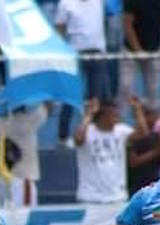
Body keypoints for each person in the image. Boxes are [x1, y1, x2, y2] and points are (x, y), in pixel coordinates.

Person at [55, 0, 110, 145]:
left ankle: (93, 133)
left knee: (95, 97)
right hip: (75, 54)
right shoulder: (65, 3)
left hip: (98, 52)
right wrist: (61, 54)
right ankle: (63, 136)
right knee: (70, 96)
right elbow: (60, 28)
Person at [74, 98, 134, 204]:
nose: (117, 117)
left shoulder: (121, 130)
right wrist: (88, 115)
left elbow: (143, 134)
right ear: (102, 117)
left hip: (117, 197)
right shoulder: (88, 130)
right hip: (90, 197)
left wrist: (137, 110)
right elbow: (78, 139)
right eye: (113, 114)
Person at [120, 0, 160, 111]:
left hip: (155, 48)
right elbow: (127, 25)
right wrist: (138, 50)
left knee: (153, 89)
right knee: (125, 87)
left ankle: (151, 120)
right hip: (130, 49)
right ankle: (120, 120)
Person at [126, 97, 160, 195]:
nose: (155, 118)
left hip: (153, 185)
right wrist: (156, 151)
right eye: (151, 115)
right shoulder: (132, 136)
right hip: (136, 186)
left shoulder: (157, 136)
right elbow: (133, 162)